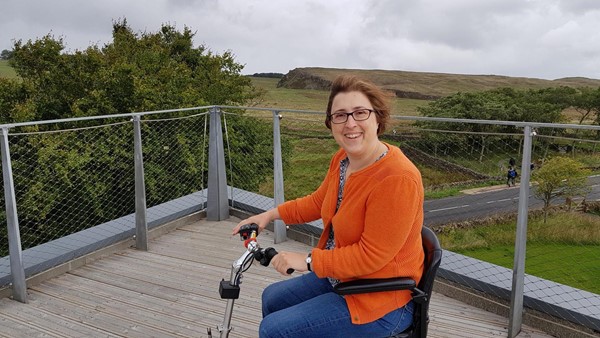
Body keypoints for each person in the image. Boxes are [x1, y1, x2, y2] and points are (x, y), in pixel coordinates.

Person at [232, 75, 425, 338]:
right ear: (330, 122)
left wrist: (307, 260)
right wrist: (270, 215)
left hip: (381, 298)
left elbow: (371, 257)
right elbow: (319, 201)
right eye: (340, 115)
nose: (350, 123)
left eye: (360, 113)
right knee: (272, 298)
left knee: (274, 330)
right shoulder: (343, 160)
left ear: (377, 118)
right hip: (343, 277)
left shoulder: (397, 178)